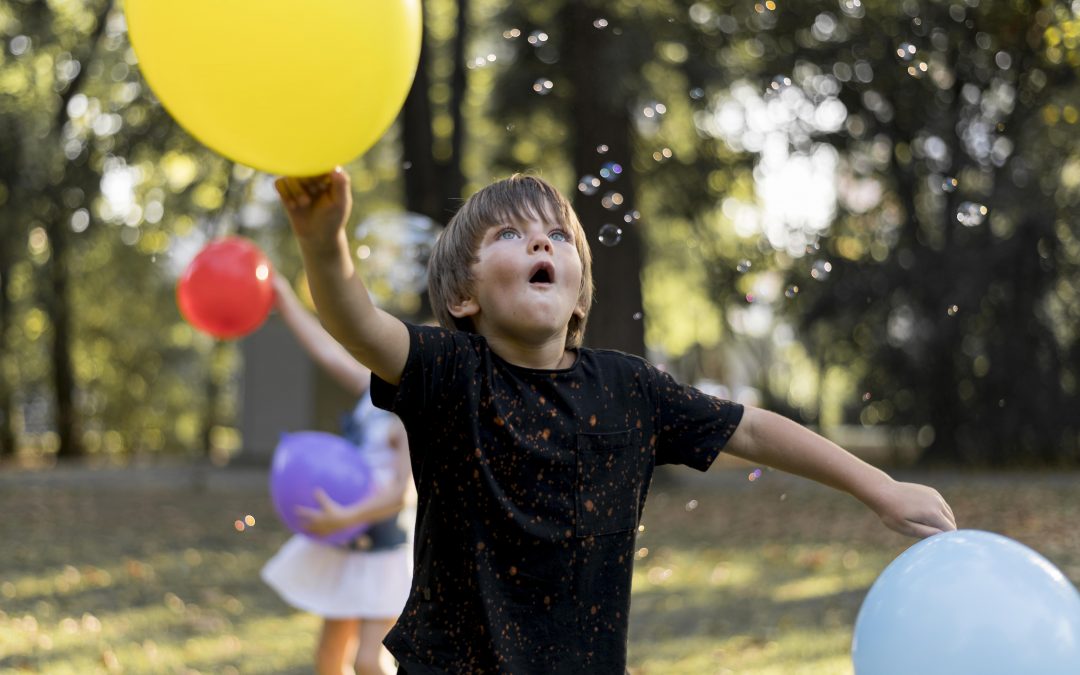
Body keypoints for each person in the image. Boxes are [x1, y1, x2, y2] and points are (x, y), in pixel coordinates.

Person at [274, 168, 957, 674]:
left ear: (577, 295)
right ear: (461, 296)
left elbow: (749, 428)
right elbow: (356, 323)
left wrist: (880, 486)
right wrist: (321, 239)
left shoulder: (629, 388)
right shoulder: (450, 372)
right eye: (511, 234)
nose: (540, 243)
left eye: (556, 236)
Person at [260, 272, 413, 675]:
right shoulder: (372, 391)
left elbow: (400, 493)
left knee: (368, 661)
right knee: (329, 658)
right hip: (346, 541)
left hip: (381, 547)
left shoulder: (409, 416)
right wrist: (286, 300)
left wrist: (344, 517)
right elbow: (327, 354)